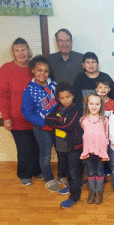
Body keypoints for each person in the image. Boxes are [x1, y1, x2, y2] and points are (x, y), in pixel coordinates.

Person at [0, 38, 42, 186]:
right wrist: (6, 118)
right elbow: (3, 96)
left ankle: (37, 170)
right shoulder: (6, 69)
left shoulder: (35, 67)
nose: (21, 53)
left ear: (28, 50)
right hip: (17, 118)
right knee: (24, 148)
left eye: (23, 49)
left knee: (37, 145)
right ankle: (24, 173)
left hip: (36, 117)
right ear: (13, 53)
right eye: (17, 50)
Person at [21, 55, 59, 192]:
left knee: (61, 151)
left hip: (57, 126)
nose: (42, 74)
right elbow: (26, 112)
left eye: (45, 71)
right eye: (39, 70)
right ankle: (49, 179)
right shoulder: (29, 90)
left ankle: (61, 176)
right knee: (46, 155)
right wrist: (43, 122)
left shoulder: (54, 86)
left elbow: (60, 103)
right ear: (33, 71)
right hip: (41, 128)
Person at [45, 82, 83, 208]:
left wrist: (58, 121)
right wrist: (61, 119)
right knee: (67, 169)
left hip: (73, 147)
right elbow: (47, 119)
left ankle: (75, 196)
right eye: (62, 98)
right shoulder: (58, 108)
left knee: (73, 172)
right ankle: (71, 187)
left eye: (68, 97)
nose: (65, 100)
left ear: (72, 96)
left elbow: (68, 126)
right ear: (58, 98)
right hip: (61, 145)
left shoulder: (76, 109)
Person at [80, 92, 109, 204]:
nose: (94, 106)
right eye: (91, 103)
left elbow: (106, 136)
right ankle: (92, 191)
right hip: (89, 152)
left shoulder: (104, 120)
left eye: (97, 104)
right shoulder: (83, 120)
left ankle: (99, 192)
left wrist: (104, 150)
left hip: (100, 152)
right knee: (91, 172)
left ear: (101, 105)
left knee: (100, 172)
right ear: (87, 105)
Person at [73, 52, 114, 117]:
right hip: (85, 114)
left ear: (98, 64)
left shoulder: (105, 77)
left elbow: (113, 96)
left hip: (104, 114)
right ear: (83, 65)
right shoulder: (79, 78)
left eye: (93, 62)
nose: (91, 65)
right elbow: (77, 100)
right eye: (88, 63)